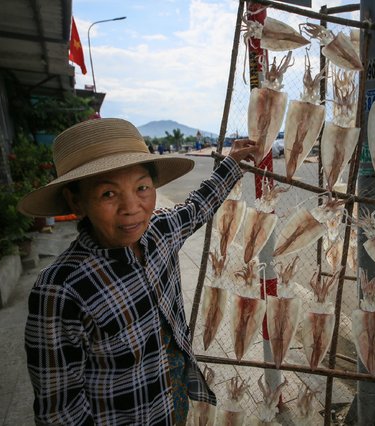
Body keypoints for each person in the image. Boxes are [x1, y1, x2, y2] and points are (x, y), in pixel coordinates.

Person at [17, 118, 256, 425]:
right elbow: (59, 410)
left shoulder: (159, 233)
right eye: (108, 194)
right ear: (75, 201)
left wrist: (232, 164)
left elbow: (198, 207)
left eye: (142, 187)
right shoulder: (60, 290)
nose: (132, 207)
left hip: (174, 404)